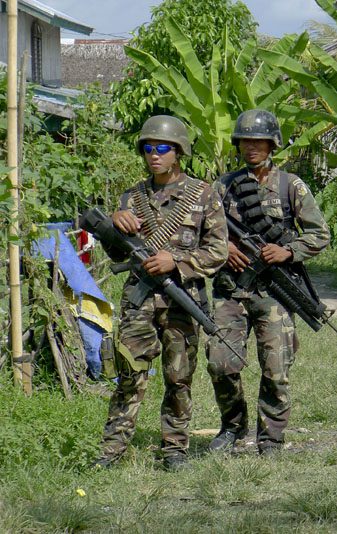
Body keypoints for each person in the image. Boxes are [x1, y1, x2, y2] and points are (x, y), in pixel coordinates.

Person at [92, 115, 228, 470]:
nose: (155, 154)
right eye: (148, 148)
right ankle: (111, 451)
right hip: (139, 301)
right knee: (129, 376)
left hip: (183, 301)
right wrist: (113, 225)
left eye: (163, 148)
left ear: (178, 151)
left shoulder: (203, 195)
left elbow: (218, 252)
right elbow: (118, 254)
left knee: (178, 379)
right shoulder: (131, 198)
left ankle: (174, 450)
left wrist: (176, 260)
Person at [206, 109, 331, 455]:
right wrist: (225, 248)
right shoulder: (223, 187)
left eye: (259, 141)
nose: (252, 147)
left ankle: (271, 436)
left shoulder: (290, 186)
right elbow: (203, 233)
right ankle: (232, 428)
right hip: (230, 291)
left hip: (273, 292)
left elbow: (321, 235)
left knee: (276, 368)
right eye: (246, 141)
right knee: (220, 361)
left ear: (272, 143)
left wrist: (288, 252)